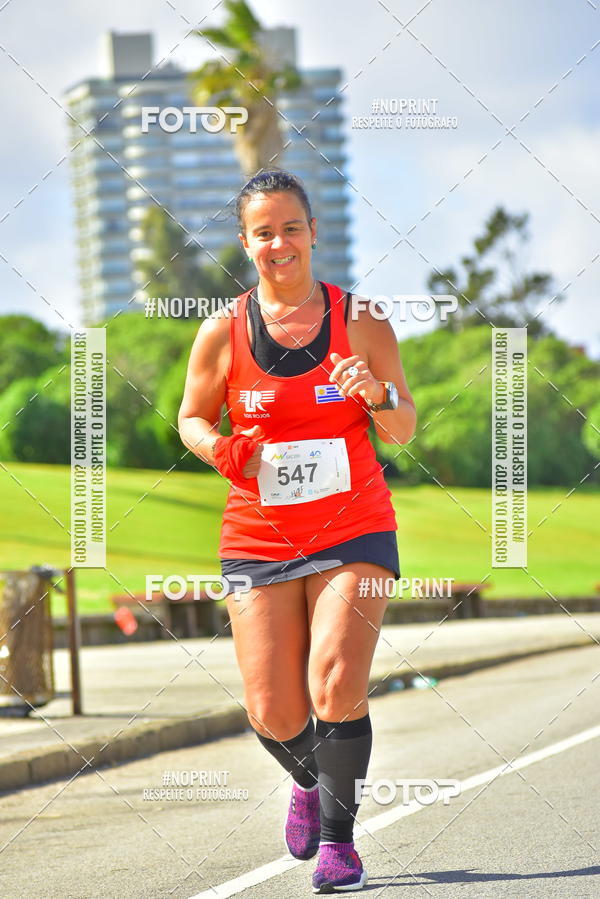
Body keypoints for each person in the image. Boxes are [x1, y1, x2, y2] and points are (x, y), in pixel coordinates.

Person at [178, 170, 416, 893]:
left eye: (290, 227)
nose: (278, 242)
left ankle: (341, 845)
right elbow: (191, 417)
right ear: (246, 243)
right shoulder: (224, 328)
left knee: (336, 680)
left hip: (356, 528)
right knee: (273, 708)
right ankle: (309, 780)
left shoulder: (363, 318)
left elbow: (403, 429)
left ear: (312, 232)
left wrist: (375, 394)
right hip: (260, 536)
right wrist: (220, 449)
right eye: (262, 232)